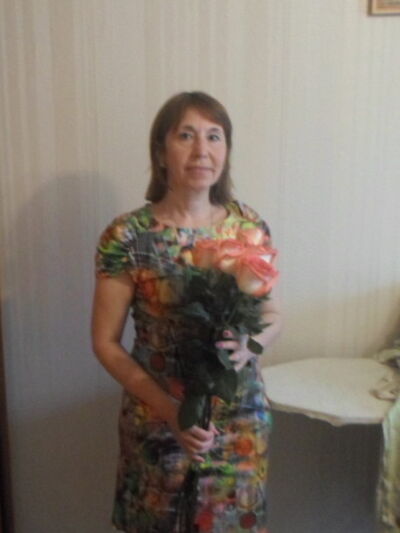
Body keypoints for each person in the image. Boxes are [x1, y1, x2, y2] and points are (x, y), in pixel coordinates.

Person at [92, 91, 282, 533]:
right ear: (161, 152)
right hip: (158, 417)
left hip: (239, 420)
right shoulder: (127, 236)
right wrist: (170, 409)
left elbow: (273, 315)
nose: (202, 150)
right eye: (186, 136)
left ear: (226, 151)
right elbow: (104, 342)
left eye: (214, 137)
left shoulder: (248, 228)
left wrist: (249, 346)